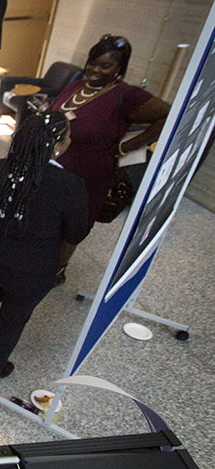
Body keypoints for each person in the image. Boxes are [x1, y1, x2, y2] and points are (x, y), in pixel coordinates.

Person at [0, 111, 90, 382]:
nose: (71, 138)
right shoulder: (70, 186)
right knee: (13, 319)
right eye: (69, 135)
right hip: (32, 270)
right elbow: (75, 233)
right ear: (57, 145)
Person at [50, 34, 171, 284]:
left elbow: (168, 115)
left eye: (104, 66)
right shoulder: (77, 85)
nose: (95, 70)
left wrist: (128, 146)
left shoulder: (126, 95)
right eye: (92, 62)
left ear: (119, 69)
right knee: (50, 218)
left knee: (74, 224)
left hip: (89, 175)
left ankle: (58, 269)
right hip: (55, 167)